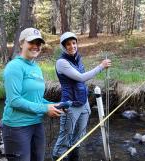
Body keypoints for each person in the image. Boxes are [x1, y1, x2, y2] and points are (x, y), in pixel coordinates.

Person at [1, 28, 63, 161]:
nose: (36, 46)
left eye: (38, 43)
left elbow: (37, 98)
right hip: (16, 127)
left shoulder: (36, 67)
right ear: (22, 43)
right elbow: (14, 101)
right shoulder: (14, 67)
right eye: (31, 42)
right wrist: (45, 109)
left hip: (37, 124)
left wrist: (53, 105)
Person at [52, 32, 112, 161]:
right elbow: (81, 77)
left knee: (79, 136)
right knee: (65, 138)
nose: (72, 46)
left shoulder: (78, 58)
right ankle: (58, 157)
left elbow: (81, 81)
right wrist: (101, 66)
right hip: (70, 105)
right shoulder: (61, 62)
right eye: (68, 44)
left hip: (83, 103)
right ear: (63, 46)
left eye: (74, 43)